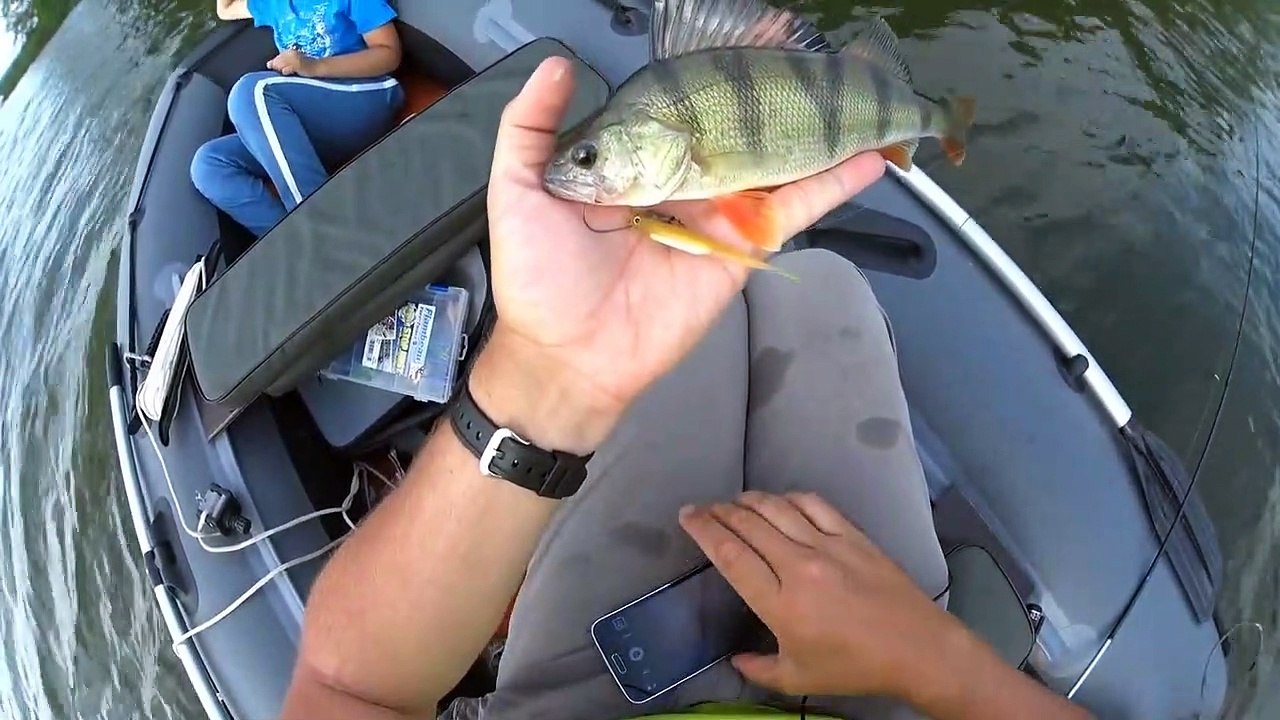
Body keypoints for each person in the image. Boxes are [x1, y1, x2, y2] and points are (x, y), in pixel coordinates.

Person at [278, 57, 1093, 720]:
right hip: (877, 695)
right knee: (821, 284)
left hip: (578, 695)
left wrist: (549, 371)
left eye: (591, 157)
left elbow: (347, 686)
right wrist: (930, 660)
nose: (579, 170)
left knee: (760, 301)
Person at [190, 0, 406, 238]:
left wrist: (315, 66)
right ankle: (296, 244)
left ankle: (325, 232)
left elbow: (389, 53)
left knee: (251, 93)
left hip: (365, 97)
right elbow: (226, 9)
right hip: (318, 123)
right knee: (209, 164)